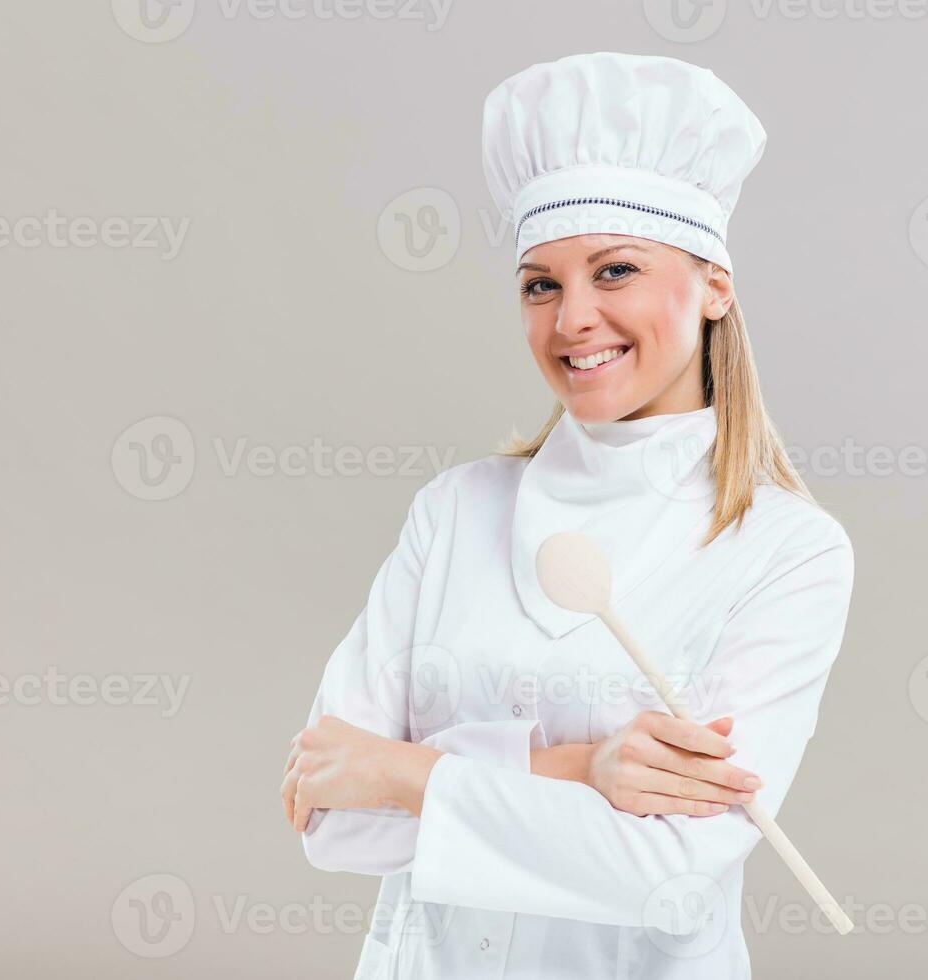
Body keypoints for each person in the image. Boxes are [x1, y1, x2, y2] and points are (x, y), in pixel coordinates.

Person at [280, 51, 855, 979]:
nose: (572, 318)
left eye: (615, 270)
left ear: (714, 285)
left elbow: (668, 870)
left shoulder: (787, 551)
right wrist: (583, 770)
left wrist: (403, 771)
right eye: (540, 283)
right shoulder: (455, 512)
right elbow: (331, 816)